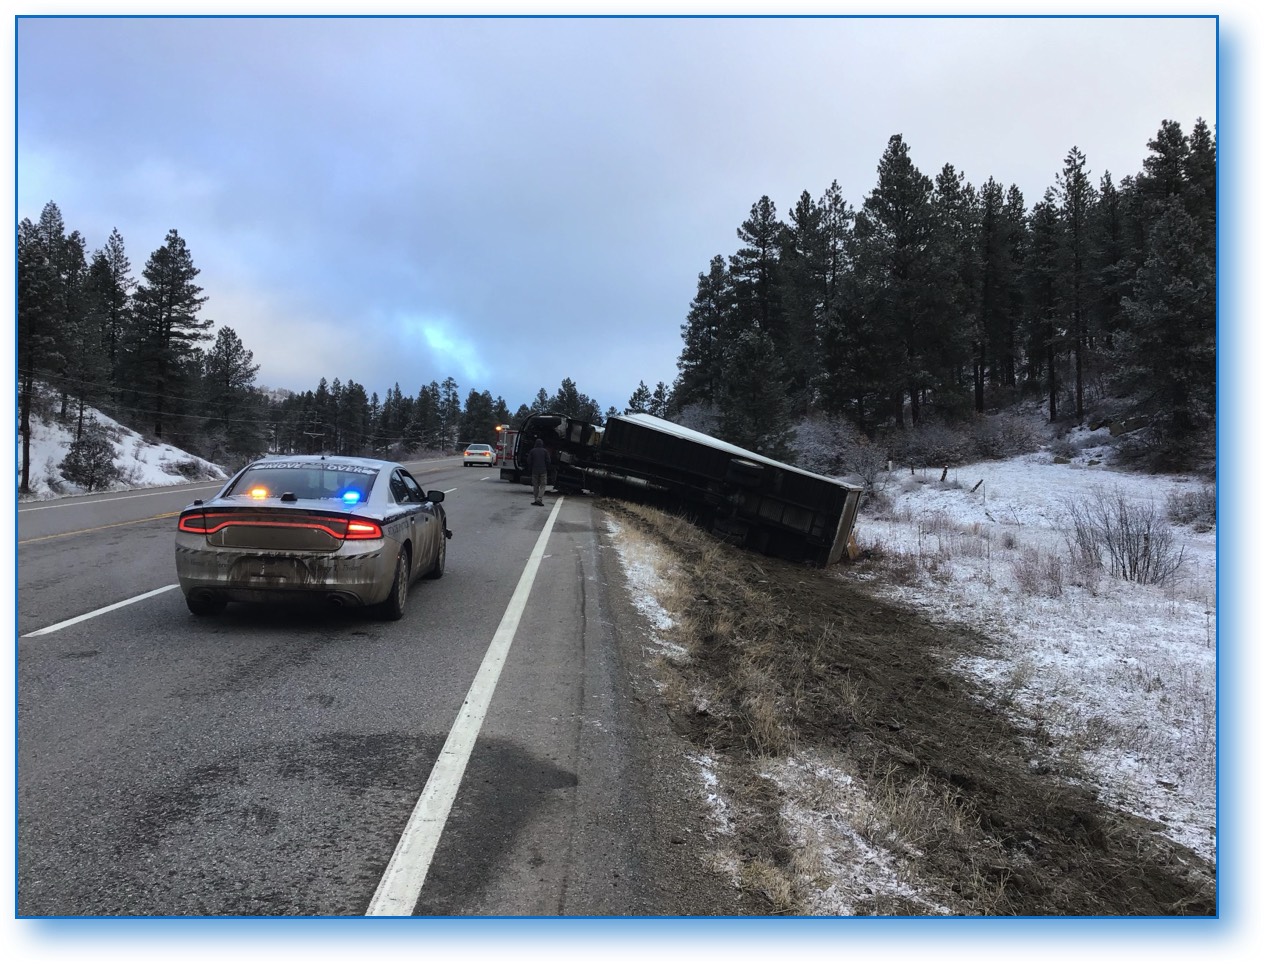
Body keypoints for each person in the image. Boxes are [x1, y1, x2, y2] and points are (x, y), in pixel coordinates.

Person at [526, 437, 550, 506]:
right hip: (543, 471)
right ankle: (539, 498)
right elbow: (548, 461)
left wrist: (530, 468)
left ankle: (536, 499)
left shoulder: (532, 451)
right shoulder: (545, 451)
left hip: (535, 471)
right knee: (543, 484)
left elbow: (529, 461)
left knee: (535, 485)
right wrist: (547, 468)